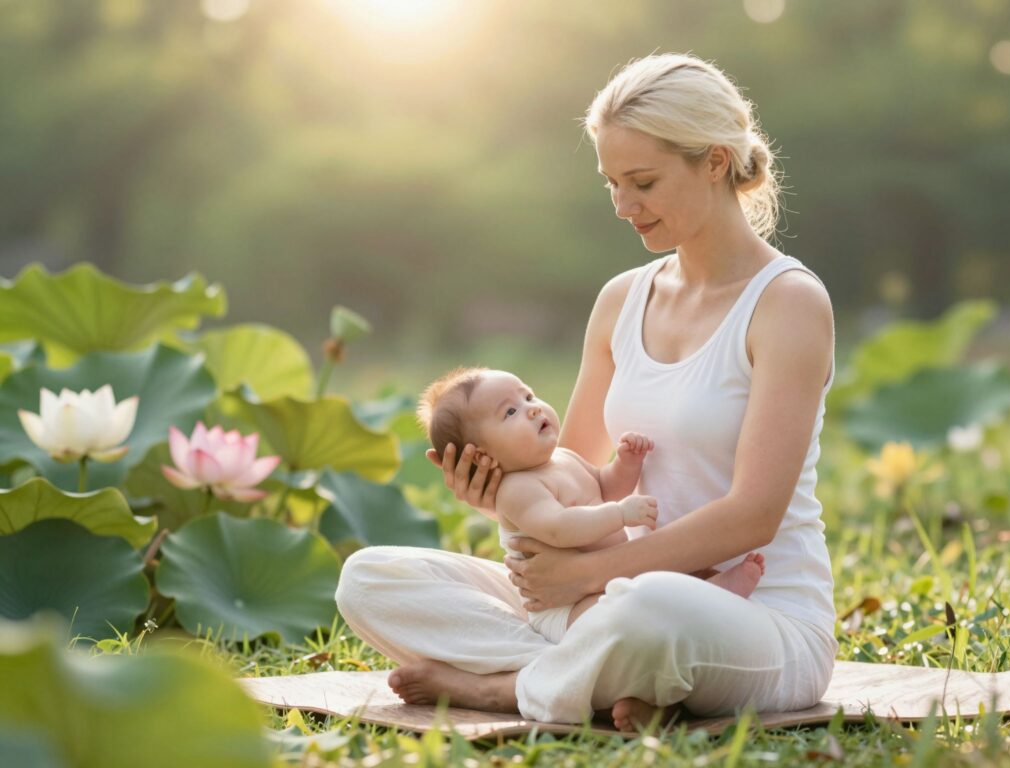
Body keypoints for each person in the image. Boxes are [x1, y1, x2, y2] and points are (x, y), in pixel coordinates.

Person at [336, 52, 837, 732]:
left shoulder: (788, 303)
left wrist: (591, 579)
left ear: (715, 161)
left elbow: (753, 516)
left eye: (643, 182)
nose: (623, 206)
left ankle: (505, 687)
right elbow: (568, 473)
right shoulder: (622, 300)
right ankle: (601, 679)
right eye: (611, 183)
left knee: (650, 611)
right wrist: (505, 495)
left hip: (751, 617)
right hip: (598, 598)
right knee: (370, 579)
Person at [415, 366, 767, 645]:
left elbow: (604, 485)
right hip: (564, 606)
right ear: (482, 455)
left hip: (606, 575)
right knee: (616, 617)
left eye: (527, 396)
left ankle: (712, 591)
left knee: (660, 584)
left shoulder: (562, 458)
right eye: (510, 411)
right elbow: (560, 527)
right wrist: (619, 514)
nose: (532, 407)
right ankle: (702, 603)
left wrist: (627, 463)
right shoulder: (517, 490)